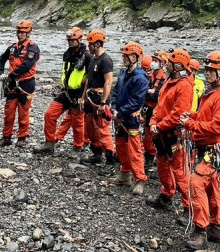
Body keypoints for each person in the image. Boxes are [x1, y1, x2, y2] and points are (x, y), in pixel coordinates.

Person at [180, 51, 220, 250]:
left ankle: (200, 229)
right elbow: (208, 116)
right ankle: (217, 228)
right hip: (212, 147)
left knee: (196, 183)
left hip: (214, 147)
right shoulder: (213, 93)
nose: (208, 73)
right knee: (214, 187)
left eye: (213, 70)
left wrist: (191, 124)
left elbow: (217, 127)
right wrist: (193, 115)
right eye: (207, 69)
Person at [146, 48, 194, 222]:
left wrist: (159, 126)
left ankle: (190, 208)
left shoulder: (184, 85)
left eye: (169, 63)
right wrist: (153, 122)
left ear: (179, 65)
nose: (165, 65)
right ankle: (166, 196)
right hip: (161, 132)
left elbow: (178, 113)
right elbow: (159, 105)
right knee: (163, 166)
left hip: (173, 134)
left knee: (180, 171)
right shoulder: (169, 80)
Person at [41, 27, 91, 155]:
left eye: (73, 40)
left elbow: (92, 76)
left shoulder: (87, 56)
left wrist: (84, 94)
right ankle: (49, 143)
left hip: (79, 93)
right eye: (69, 40)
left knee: (78, 121)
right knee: (49, 114)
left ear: (80, 39)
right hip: (66, 91)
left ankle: (78, 146)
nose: (70, 42)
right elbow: (66, 71)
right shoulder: (67, 54)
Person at [110, 41, 149, 194]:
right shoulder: (123, 73)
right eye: (124, 55)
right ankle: (125, 174)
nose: (124, 58)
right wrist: (114, 108)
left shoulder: (140, 78)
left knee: (134, 150)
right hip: (119, 116)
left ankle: (140, 179)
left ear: (135, 57)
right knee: (120, 146)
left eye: (127, 56)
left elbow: (136, 101)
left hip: (131, 119)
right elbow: (116, 93)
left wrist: (120, 113)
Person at [0, 20, 40, 148]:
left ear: (28, 33)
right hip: (12, 83)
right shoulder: (12, 48)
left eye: (23, 33)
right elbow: (1, 59)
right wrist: (0, 73)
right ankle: (6, 137)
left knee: (23, 112)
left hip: (26, 83)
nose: (20, 35)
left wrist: (11, 75)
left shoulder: (33, 48)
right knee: (9, 112)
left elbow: (27, 65)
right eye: (19, 32)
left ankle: (22, 138)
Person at [80, 29, 115, 173]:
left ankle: (110, 160)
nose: (88, 47)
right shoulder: (93, 59)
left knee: (102, 130)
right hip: (90, 97)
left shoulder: (105, 60)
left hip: (99, 98)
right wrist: (82, 98)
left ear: (98, 44)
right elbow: (88, 81)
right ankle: (96, 153)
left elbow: (108, 82)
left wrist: (103, 103)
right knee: (89, 127)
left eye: (91, 44)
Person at [142, 50, 167, 172]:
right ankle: (149, 157)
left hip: (156, 110)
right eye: (153, 60)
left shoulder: (164, 78)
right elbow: (143, 90)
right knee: (146, 134)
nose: (153, 63)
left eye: (156, 61)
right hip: (146, 108)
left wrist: (149, 92)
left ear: (162, 64)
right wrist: (149, 92)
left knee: (154, 135)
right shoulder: (149, 75)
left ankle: (154, 159)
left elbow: (157, 96)